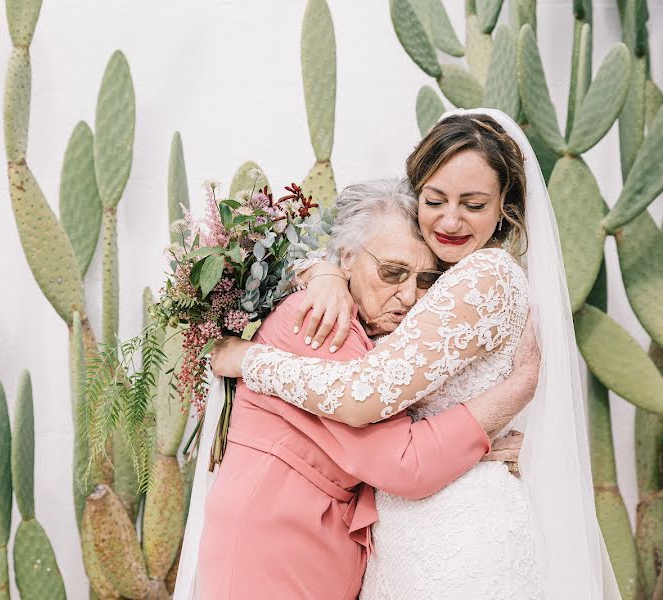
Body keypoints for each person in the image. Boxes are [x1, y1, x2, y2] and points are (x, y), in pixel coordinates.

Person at [211, 109, 620, 599]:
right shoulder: (331, 312)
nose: (449, 220)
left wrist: (249, 360)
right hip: (302, 541)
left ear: (504, 206)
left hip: (454, 530)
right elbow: (388, 427)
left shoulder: (479, 277)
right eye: (435, 199)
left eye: (473, 203)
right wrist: (317, 273)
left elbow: (371, 397)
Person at [174, 177, 540, 599]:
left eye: (427, 281)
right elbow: (403, 461)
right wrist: (515, 392)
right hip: (274, 541)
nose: (409, 296)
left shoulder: (374, 333)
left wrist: (320, 270)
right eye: (392, 272)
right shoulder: (320, 320)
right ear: (346, 257)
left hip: (314, 543)